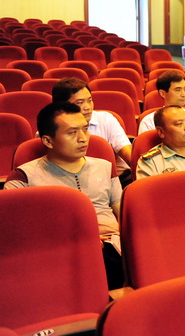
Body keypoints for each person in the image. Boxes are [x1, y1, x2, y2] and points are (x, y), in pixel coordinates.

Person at [5, 102, 124, 289]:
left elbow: (123, 214)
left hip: (113, 248)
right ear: (48, 141)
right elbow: (15, 231)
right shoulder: (24, 177)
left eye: (85, 129)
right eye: (72, 132)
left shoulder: (105, 167)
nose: (83, 139)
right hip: (60, 253)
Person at [51, 77, 133, 184]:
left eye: (89, 101)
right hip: (69, 181)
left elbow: (125, 150)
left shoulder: (106, 119)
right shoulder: (49, 130)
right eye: (79, 103)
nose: (87, 107)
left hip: (114, 178)